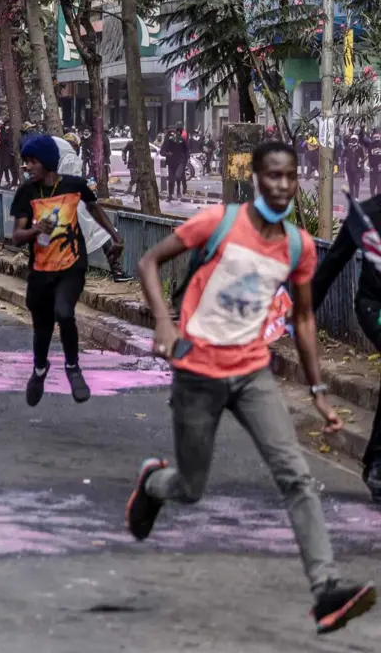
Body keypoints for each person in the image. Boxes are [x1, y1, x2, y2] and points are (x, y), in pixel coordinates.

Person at [127, 141, 376, 635]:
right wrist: (163, 324)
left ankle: (326, 588)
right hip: (198, 371)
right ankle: (154, 484)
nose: (282, 186)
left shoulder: (300, 246)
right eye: (273, 176)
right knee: (191, 488)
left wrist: (318, 389)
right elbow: (149, 263)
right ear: (256, 179)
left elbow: (303, 318)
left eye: (289, 177)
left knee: (296, 476)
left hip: (252, 374)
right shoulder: (218, 222)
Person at [11, 134, 124, 405]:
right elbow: (16, 235)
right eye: (25, 161)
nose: (28, 166)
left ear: (48, 162)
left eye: (33, 161)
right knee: (43, 328)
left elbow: (94, 210)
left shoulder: (74, 186)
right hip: (40, 270)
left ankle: (73, 367)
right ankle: (39, 370)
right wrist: (35, 229)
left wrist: (115, 239)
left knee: (64, 312)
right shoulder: (27, 193)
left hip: (72, 265)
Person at [311, 190, 381, 503]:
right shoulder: (364, 216)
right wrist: (303, 313)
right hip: (374, 306)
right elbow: (334, 262)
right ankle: (377, 463)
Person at [56, 134, 132, 282]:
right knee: (102, 232)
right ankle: (117, 270)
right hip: (76, 207)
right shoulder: (71, 159)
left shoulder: (61, 160)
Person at [162, 126, 189, 199]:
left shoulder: (181, 140)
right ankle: (170, 195)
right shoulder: (167, 141)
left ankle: (179, 191)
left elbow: (186, 150)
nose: (173, 135)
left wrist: (186, 159)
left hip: (180, 162)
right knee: (171, 180)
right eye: (171, 134)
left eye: (174, 133)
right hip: (171, 163)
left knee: (178, 177)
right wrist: (167, 153)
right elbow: (162, 151)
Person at [345, 134, 366, 199]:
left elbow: (364, 158)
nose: (353, 141)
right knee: (351, 184)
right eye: (352, 140)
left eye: (355, 140)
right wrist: (345, 158)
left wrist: (361, 160)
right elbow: (342, 156)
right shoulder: (348, 148)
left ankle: (356, 197)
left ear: (357, 140)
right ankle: (352, 197)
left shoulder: (360, 148)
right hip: (349, 169)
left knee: (357, 183)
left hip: (357, 169)